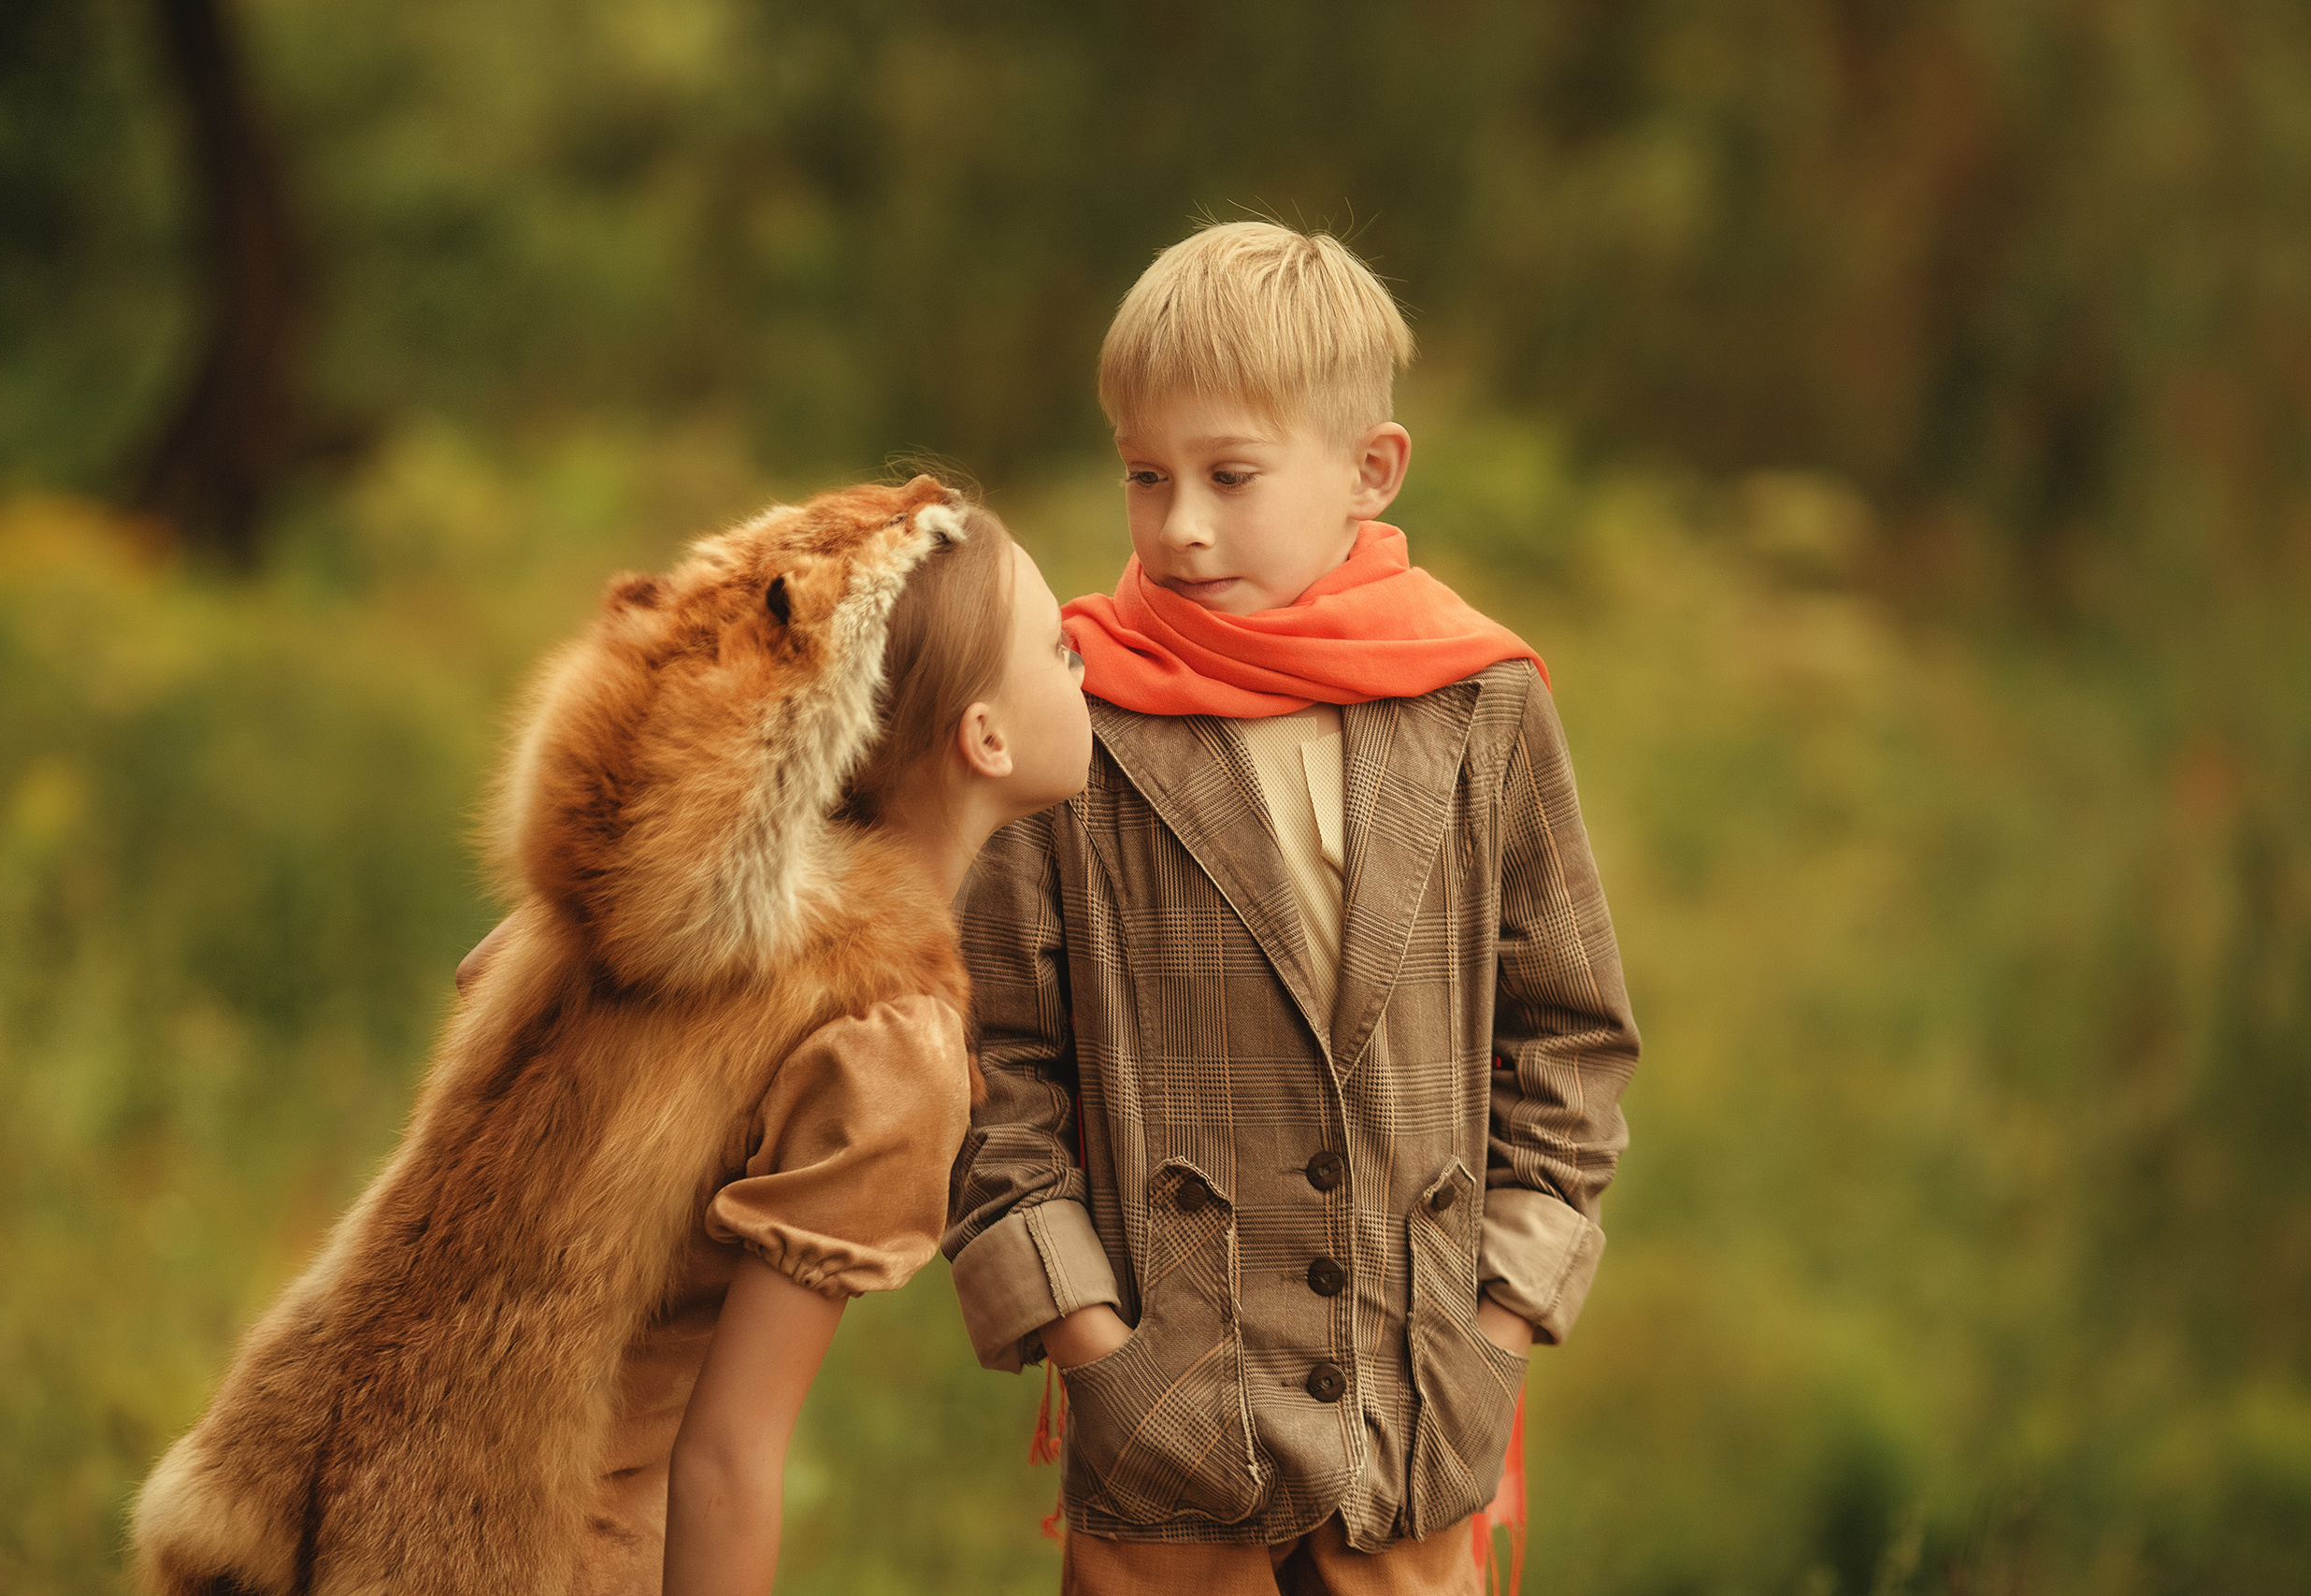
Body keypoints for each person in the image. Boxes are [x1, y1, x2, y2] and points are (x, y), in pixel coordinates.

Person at [132, 477, 1092, 1596]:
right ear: (984, 737)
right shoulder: (888, 1044)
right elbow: (728, 1459)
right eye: (1059, 647)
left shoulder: (660, 919)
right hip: (536, 1557)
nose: (1086, 657)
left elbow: (483, 984)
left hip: (304, 1502)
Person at [944, 223, 1642, 1594]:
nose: (1179, 523)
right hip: (1165, 1445)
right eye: (1146, 475)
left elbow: (1570, 1033)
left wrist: (1495, 1324)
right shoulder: (1073, 712)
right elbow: (988, 1059)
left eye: (1231, 475)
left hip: (1417, 1425)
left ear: (1368, 473)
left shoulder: (1480, 703)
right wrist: (1102, 1350)